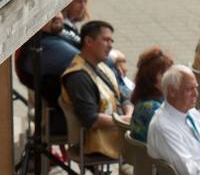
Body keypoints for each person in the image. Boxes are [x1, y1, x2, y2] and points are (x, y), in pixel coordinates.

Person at [60, 20, 130, 158]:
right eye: (105, 40)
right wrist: (123, 121)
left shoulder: (102, 67)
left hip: (119, 129)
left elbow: (124, 96)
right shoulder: (78, 76)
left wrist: (129, 114)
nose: (110, 46)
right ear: (88, 41)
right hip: (100, 143)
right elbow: (91, 119)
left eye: (111, 41)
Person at [17, 13, 79, 108]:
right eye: (49, 13)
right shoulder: (46, 45)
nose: (56, 16)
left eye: (58, 11)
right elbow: (88, 59)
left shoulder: (59, 28)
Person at [129, 47, 174, 142]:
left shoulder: (145, 100)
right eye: (165, 74)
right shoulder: (152, 109)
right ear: (151, 79)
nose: (171, 79)